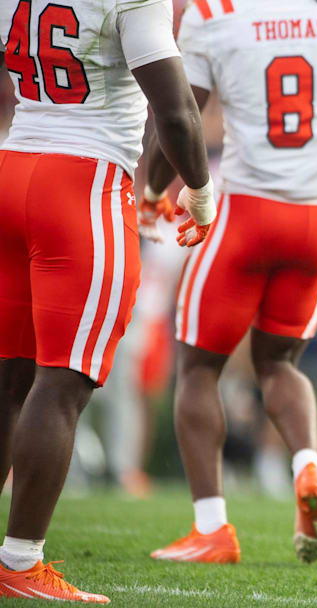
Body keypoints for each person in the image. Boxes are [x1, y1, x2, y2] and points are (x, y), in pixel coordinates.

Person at [141, 0, 317, 565]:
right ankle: (308, 464)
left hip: (246, 214)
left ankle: (211, 528)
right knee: (280, 364)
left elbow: (180, 118)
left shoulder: (215, 12)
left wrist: (152, 193)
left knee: (199, 367)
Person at [0, 0, 214, 601]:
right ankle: (19, 560)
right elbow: (176, 110)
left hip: (13, 168)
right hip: (82, 183)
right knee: (61, 381)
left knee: (8, 379)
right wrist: (199, 189)